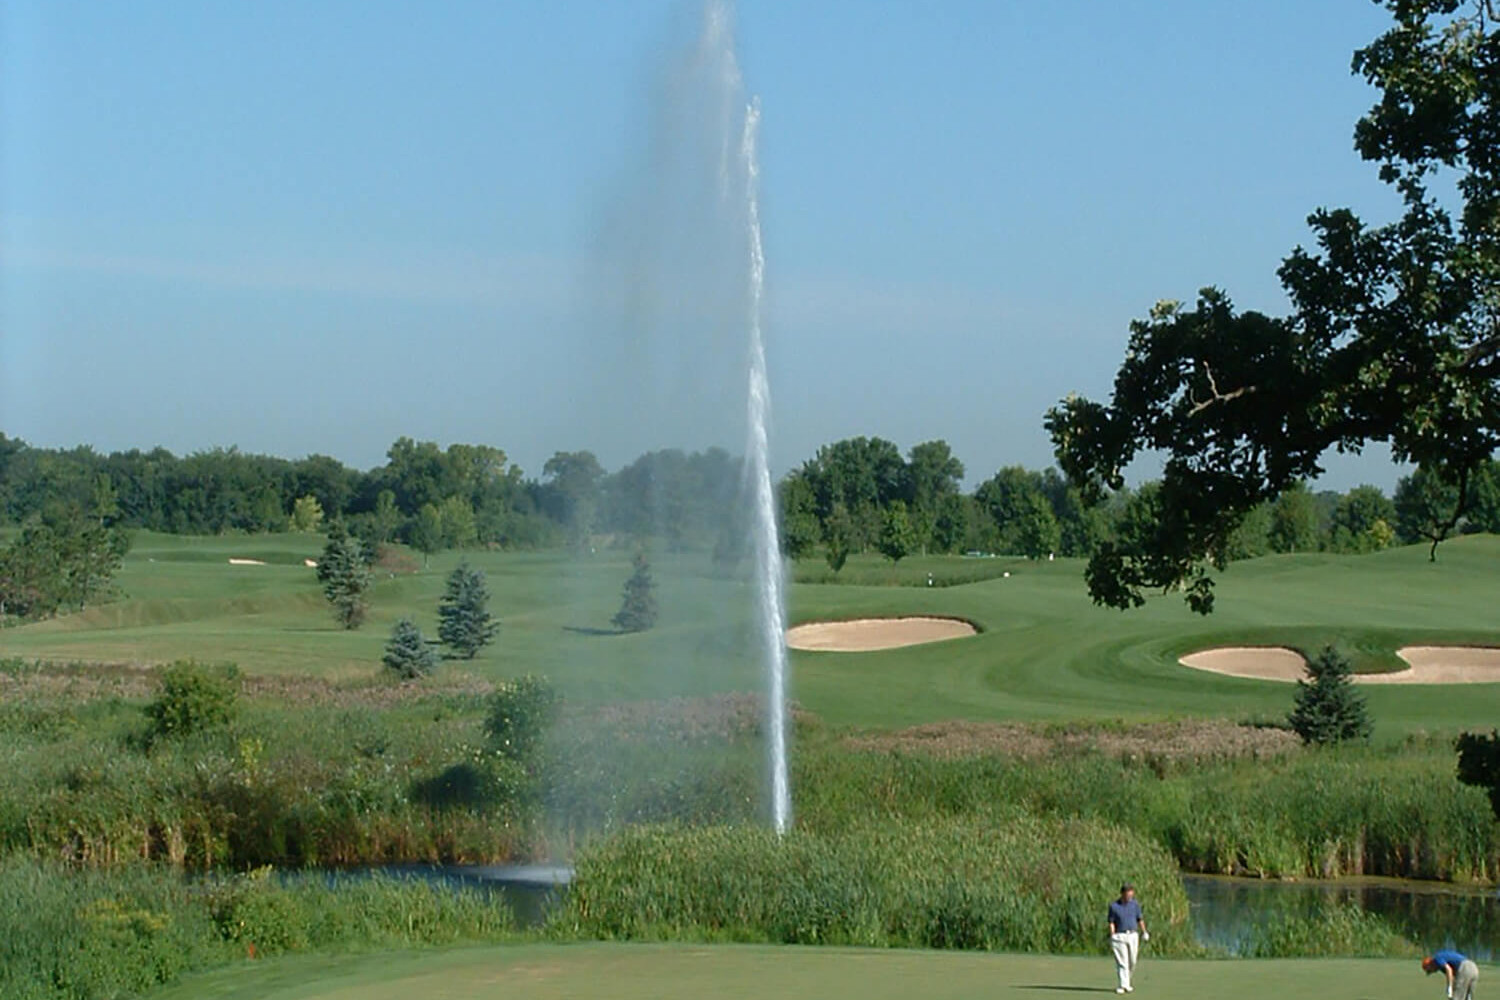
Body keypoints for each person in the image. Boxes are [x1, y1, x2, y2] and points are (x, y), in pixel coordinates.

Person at [1107, 882, 1149, 994]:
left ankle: (1127, 982)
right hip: (1119, 936)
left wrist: (1144, 932)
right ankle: (1123, 985)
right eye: (1127, 894)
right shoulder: (1114, 906)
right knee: (1122, 962)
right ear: (1122, 893)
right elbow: (1111, 922)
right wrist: (1112, 935)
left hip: (1133, 935)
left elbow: (1140, 919)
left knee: (1132, 961)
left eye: (1131, 894)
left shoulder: (1135, 904)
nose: (1129, 897)